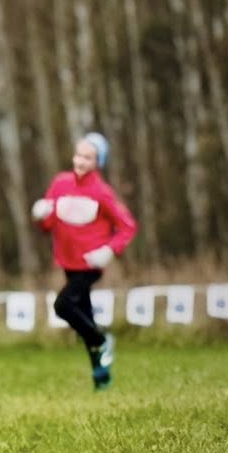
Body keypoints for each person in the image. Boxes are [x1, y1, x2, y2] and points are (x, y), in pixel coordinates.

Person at [32, 132, 137, 389]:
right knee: (85, 316)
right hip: (67, 261)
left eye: (87, 157)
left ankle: (102, 341)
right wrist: (41, 214)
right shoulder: (60, 183)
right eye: (78, 154)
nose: (80, 160)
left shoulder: (102, 192)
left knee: (63, 306)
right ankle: (101, 377)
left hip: (90, 263)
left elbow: (127, 226)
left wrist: (111, 249)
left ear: (97, 161)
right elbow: (49, 226)